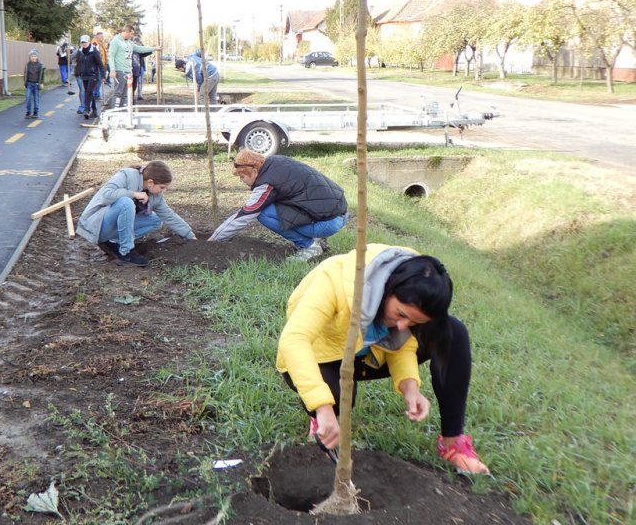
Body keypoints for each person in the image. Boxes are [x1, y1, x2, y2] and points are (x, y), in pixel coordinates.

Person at [276, 244, 489, 475]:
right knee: (336, 398)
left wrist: (410, 386)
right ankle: (322, 421)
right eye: (401, 314)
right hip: (323, 353)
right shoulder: (335, 279)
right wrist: (322, 407)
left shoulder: (414, 290)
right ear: (389, 287)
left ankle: (452, 443)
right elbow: (294, 340)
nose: (403, 325)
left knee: (453, 333)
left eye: (414, 322)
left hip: (367, 357)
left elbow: (401, 343)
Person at [209, 149, 348, 261]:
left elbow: (244, 215)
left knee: (263, 213)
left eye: (242, 176)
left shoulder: (266, 184)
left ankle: (309, 247)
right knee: (279, 203)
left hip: (328, 223)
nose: (241, 181)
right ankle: (319, 239)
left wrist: (214, 239)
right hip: (340, 212)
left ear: (254, 171)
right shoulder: (276, 161)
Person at [76, 160, 197, 267]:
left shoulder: (156, 196)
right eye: (162, 187)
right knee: (126, 203)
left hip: (110, 229)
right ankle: (126, 252)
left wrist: (189, 235)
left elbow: (169, 215)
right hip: (95, 226)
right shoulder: (126, 175)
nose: (164, 190)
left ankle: (114, 243)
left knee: (156, 220)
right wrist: (133, 194)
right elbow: (106, 195)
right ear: (150, 182)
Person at [108, 25, 158, 108]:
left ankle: (124, 111)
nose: (132, 36)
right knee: (118, 93)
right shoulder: (116, 41)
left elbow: (140, 49)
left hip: (128, 72)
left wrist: (154, 49)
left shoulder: (129, 43)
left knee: (126, 94)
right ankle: (114, 111)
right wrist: (112, 70)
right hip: (120, 71)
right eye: (131, 34)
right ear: (126, 32)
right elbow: (111, 56)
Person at [73, 35, 104, 119]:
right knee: (89, 92)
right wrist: (77, 72)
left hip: (93, 75)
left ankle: (87, 109)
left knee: (89, 91)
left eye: (85, 42)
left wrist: (103, 75)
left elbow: (100, 64)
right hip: (84, 75)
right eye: (82, 42)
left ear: (89, 42)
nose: (84, 44)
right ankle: (94, 110)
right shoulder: (80, 51)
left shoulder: (94, 51)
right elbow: (79, 63)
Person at [23, 48, 45, 119]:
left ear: (37, 57)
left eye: (35, 56)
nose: (33, 57)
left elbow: (42, 75)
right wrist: (25, 83)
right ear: (30, 57)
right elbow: (25, 74)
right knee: (28, 98)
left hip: (36, 84)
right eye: (32, 56)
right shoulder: (27, 65)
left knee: (36, 99)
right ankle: (28, 112)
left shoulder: (40, 65)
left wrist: (42, 83)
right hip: (29, 84)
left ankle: (35, 112)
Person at [91, 30, 110, 106]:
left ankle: (96, 94)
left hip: (102, 64)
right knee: (98, 80)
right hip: (97, 65)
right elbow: (96, 54)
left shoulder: (101, 44)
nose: (102, 38)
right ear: (97, 36)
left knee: (100, 80)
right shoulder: (95, 43)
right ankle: (96, 94)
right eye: (101, 36)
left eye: (103, 36)